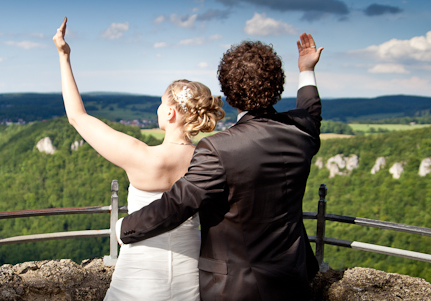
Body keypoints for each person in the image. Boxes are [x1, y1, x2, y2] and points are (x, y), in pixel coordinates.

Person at [117, 33, 324, 300]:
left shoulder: (219, 148)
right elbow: (311, 110)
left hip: (236, 289)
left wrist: (124, 228)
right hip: (294, 279)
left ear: (228, 93)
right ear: (277, 85)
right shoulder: (302, 130)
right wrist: (307, 71)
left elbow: (177, 205)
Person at [53, 18, 225, 300]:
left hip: (138, 281)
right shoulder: (210, 160)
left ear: (170, 113)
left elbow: (77, 117)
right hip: (188, 278)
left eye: (161, 103)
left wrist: (64, 55)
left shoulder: (141, 156)